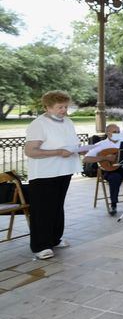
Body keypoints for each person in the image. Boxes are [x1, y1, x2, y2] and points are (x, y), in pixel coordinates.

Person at [23, 91, 81, 260]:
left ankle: (55, 238)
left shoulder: (68, 122)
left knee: (57, 207)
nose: (64, 110)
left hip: (64, 170)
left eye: (65, 107)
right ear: (47, 107)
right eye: (59, 107)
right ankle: (40, 245)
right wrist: (58, 152)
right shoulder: (39, 124)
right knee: (43, 210)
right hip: (44, 174)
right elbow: (30, 151)